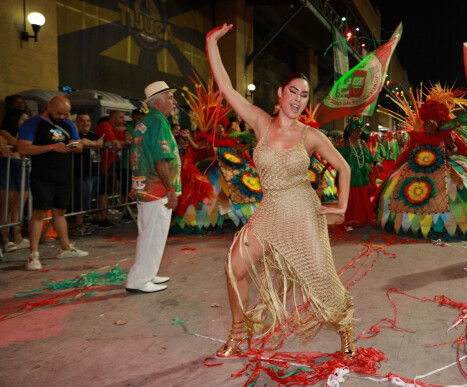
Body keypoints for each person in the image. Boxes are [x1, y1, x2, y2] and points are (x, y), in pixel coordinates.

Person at [207, 23, 356, 358]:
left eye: (304, 96)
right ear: (280, 92)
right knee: (234, 268)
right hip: (271, 211)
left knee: (321, 279)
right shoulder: (260, 122)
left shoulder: (311, 136)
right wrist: (212, 43)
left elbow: (343, 167)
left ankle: (346, 328)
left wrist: (341, 206)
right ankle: (237, 332)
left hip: (304, 213)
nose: (298, 100)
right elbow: (227, 88)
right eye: (293, 92)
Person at [375, 85, 467, 238]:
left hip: (443, 166)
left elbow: (454, 149)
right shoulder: (420, 136)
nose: (425, 126)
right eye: (424, 123)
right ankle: (414, 223)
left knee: (451, 192)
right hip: (417, 168)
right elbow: (413, 148)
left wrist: (447, 152)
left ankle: (446, 224)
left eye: (428, 123)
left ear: (435, 123)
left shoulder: (445, 135)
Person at [17, 96, 89, 270]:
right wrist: (51, 147)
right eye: (59, 113)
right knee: (39, 212)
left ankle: (65, 247)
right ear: (49, 107)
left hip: (63, 175)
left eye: (66, 113)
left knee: (61, 212)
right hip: (42, 175)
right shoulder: (33, 123)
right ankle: (33, 254)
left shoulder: (68, 123)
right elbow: (23, 148)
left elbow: (79, 146)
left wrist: (73, 145)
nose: (63, 117)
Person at [126, 81, 181, 293]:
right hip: (156, 189)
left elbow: (137, 155)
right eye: (169, 97)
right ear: (157, 101)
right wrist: (170, 189)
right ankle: (139, 280)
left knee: (150, 233)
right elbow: (161, 159)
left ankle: (148, 273)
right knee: (153, 235)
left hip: (145, 186)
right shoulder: (157, 122)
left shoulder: (145, 122)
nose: (174, 101)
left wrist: (134, 183)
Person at [0, 95, 31, 253]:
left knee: (19, 204)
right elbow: (12, 142)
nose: (26, 124)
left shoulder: (28, 135)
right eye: (23, 120)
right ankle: (5, 239)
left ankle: (17, 236)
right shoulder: (5, 133)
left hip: (22, 167)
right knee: (7, 205)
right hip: (8, 167)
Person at [338, 118, 377, 229]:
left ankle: (361, 219)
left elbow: (368, 157)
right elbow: (336, 157)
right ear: (351, 131)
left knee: (362, 197)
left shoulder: (362, 143)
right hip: (349, 177)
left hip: (361, 175)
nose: (359, 134)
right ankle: (349, 221)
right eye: (356, 131)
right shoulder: (344, 144)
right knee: (350, 198)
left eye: (360, 131)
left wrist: (376, 163)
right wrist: (324, 169)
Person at [95, 110, 131, 228]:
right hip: (104, 164)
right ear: (114, 118)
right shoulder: (105, 125)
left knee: (107, 190)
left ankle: (103, 216)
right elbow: (114, 143)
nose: (123, 120)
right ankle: (101, 217)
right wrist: (124, 142)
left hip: (111, 164)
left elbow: (128, 141)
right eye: (121, 118)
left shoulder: (118, 128)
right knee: (103, 191)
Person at [71, 114, 103, 236]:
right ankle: (77, 226)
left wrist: (90, 143)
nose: (86, 123)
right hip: (81, 174)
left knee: (88, 201)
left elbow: (101, 142)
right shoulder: (74, 136)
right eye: (82, 121)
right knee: (81, 201)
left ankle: (82, 224)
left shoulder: (93, 135)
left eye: (88, 121)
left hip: (95, 173)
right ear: (76, 122)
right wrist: (91, 143)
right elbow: (74, 145)